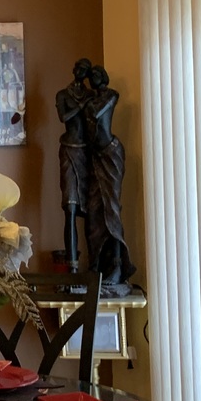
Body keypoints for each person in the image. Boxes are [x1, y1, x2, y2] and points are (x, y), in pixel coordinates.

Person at [84, 65, 136, 290]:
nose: (93, 78)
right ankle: (97, 264)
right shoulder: (89, 99)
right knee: (94, 212)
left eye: (97, 74)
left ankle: (117, 266)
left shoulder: (110, 96)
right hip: (94, 155)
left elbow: (95, 113)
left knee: (111, 211)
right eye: (91, 75)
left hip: (111, 153)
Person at [56, 57, 94, 267]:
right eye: (79, 67)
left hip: (86, 153)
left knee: (89, 210)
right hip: (69, 150)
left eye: (85, 69)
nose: (81, 71)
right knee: (69, 208)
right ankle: (72, 265)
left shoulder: (91, 96)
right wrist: (81, 106)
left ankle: (93, 263)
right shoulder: (63, 95)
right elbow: (64, 117)